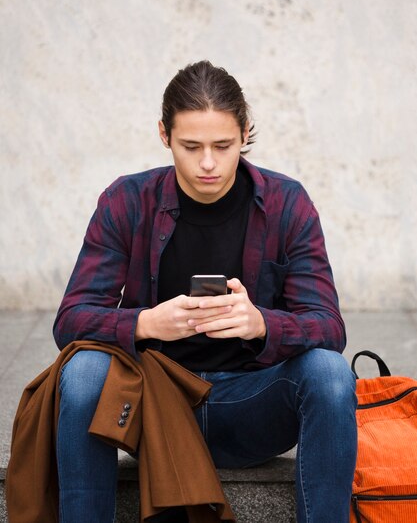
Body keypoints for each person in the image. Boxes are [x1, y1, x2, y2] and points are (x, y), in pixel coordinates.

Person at [53, 60, 357, 522]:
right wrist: (146, 322)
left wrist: (261, 324)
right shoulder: (127, 200)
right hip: (153, 408)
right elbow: (71, 318)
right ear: (164, 134)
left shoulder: (286, 202)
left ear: (245, 133)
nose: (208, 163)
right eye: (191, 146)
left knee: (331, 373)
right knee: (82, 371)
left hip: (255, 404)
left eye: (223, 145)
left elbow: (329, 327)